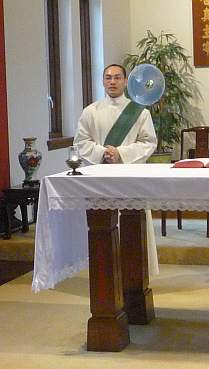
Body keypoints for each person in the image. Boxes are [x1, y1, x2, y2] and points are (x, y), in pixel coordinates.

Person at [73, 63, 159, 275]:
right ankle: (105, 271)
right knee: (103, 225)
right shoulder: (90, 111)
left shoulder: (139, 112)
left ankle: (136, 270)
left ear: (125, 81)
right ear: (103, 81)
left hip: (130, 177)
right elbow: (81, 142)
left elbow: (149, 143)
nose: (112, 82)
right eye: (108, 77)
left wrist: (121, 153)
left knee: (132, 224)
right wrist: (103, 152)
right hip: (101, 177)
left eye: (117, 77)